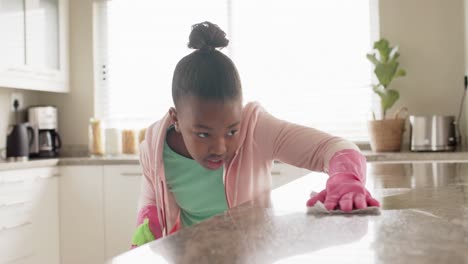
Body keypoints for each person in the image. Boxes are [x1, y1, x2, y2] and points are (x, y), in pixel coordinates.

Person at [131, 21, 380, 247]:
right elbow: (151, 202)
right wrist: (145, 231)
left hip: (254, 253)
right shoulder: (154, 149)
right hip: (194, 255)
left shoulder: (256, 129)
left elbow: (334, 147)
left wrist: (346, 177)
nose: (220, 147)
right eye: (203, 134)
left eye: (231, 130)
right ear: (176, 119)